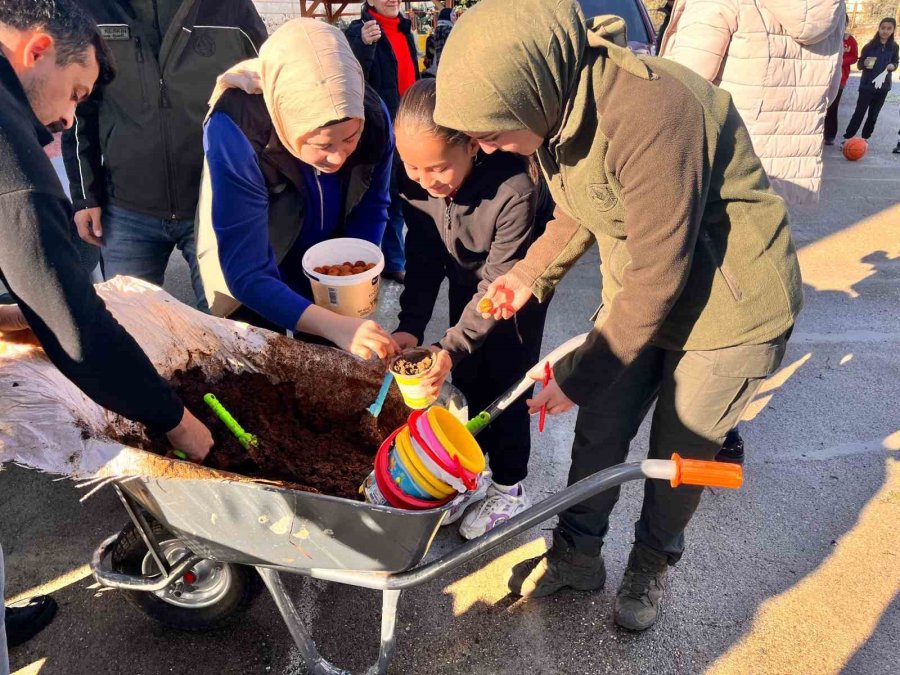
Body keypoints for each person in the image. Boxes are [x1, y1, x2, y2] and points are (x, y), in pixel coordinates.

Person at [435, 0, 801, 631]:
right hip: (647, 293)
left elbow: (661, 273)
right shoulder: (561, 116)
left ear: (534, 87)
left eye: (492, 132)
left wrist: (575, 376)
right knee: (600, 434)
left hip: (728, 309)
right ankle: (578, 556)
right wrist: (525, 277)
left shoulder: (653, 111)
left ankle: (652, 563)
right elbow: (580, 209)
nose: (487, 148)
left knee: (674, 456)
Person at [0, 1, 213, 669]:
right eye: (76, 93)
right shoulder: (12, 150)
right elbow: (80, 334)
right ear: (38, 51)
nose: (69, 116)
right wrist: (175, 419)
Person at [659, 0, 842, 463]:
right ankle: (723, 427)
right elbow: (831, 90)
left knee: (691, 289)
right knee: (748, 299)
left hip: (718, 171)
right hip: (779, 177)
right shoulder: (828, 8)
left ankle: (689, 422)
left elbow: (674, 95)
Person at [391, 79, 552, 538]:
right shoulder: (413, 177)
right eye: (412, 167)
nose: (426, 181)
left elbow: (497, 285)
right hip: (468, 279)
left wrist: (450, 345)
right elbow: (422, 253)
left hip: (513, 291)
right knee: (466, 379)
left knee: (506, 384)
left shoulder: (514, 187)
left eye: (438, 168)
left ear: (470, 145)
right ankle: (473, 475)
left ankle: (509, 488)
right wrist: (411, 326)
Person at [197, 19, 399, 362]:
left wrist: (353, 285)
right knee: (262, 367)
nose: (337, 157)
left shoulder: (373, 116)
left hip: (326, 270)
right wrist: (334, 325)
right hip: (258, 265)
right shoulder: (237, 129)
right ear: (288, 121)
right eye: (322, 144)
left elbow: (373, 206)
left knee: (333, 370)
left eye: (350, 139)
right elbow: (246, 273)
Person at [61, 0, 267, 310]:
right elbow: (77, 106)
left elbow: (268, 90)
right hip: (127, 208)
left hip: (215, 204)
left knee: (228, 332)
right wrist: (85, 196)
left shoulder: (231, 7)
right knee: (129, 331)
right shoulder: (91, 9)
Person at [346, 0, 421, 284]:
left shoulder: (404, 29)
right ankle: (365, 265)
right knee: (379, 200)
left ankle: (395, 261)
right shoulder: (358, 31)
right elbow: (352, 78)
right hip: (380, 131)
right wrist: (363, 45)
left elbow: (411, 76)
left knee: (405, 199)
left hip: (409, 127)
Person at [843, 18, 898, 145]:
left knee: (873, 115)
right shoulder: (869, 46)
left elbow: (896, 62)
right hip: (867, 86)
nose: (885, 31)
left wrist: (893, 66)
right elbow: (860, 64)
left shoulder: (894, 47)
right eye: (883, 28)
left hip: (883, 87)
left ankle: (864, 139)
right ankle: (848, 138)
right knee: (859, 112)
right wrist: (864, 63)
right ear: (878, 28)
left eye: (889, 28)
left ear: (893, 30)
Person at [824, 15, 859, 145]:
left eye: (843, 23)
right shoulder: (826, 38)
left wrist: (840, 62)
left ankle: (830, 135)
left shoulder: (850, 40)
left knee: (832, 107)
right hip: (823, 78)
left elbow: (854, 57)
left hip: (840, 79)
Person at [423, 7, 456, 77]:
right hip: (447, 72)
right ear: (447, 17)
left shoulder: (433, 35)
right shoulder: (451, 32)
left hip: (432, 73)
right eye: (453, 15)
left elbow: (428, 58)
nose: (455, 18)